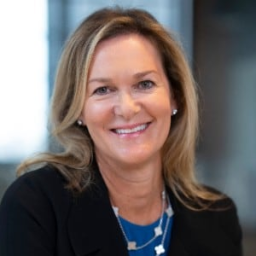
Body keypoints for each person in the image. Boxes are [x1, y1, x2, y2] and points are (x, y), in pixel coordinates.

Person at [0, 7, 242, 256]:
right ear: (78, 110)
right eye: (103, 89)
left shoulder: (219, 218)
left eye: (144, 84)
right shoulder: (36, 206)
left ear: (175, 97)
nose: (127, 109)